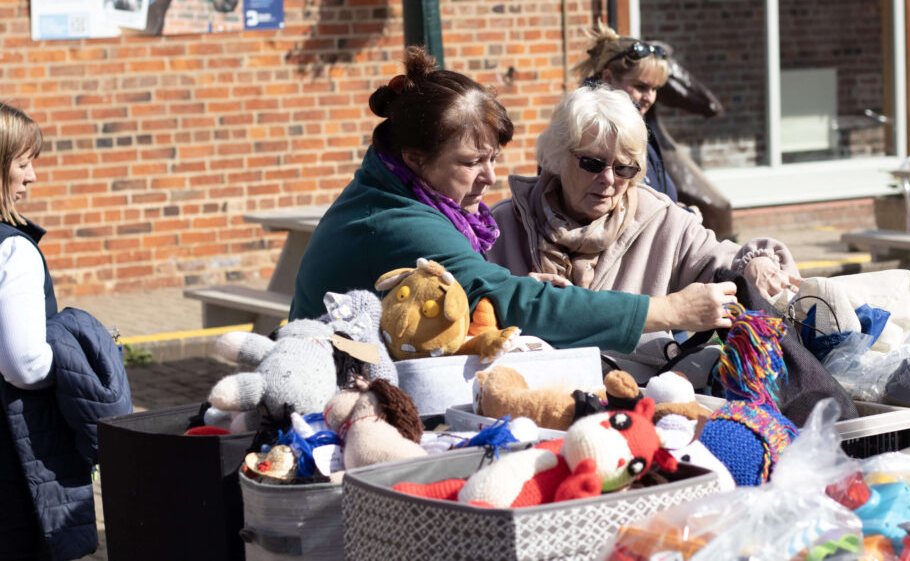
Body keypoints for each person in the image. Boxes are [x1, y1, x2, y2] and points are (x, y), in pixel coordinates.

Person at [291, 47, 740, 354]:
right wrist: (668, 310)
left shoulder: (391, 191)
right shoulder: (398, 220)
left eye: (625, 168)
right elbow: (510, 300)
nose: (490, 176)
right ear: (414, 159)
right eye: (471, 162)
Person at [486, 85, 803, 382]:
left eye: (624, 168)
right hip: (532, 397)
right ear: (557, 156)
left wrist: (757, 263)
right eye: (593, 163)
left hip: (638, 395)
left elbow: (723, 261)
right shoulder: (502, 226)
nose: (609, 179)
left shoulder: (660, 219)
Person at [0, 102, 129, 560]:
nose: (32, 176)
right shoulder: (14, 251)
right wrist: (77, 356)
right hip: (17, 448)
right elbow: (23, 363)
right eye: (23, 163)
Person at [574, 21, 678, 200]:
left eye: (654, 89)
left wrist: (682, 215)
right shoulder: (583, 130)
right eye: (640, 86)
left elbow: (662, 197)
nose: (649, 98)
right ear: (607, 78)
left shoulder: (635, 126)